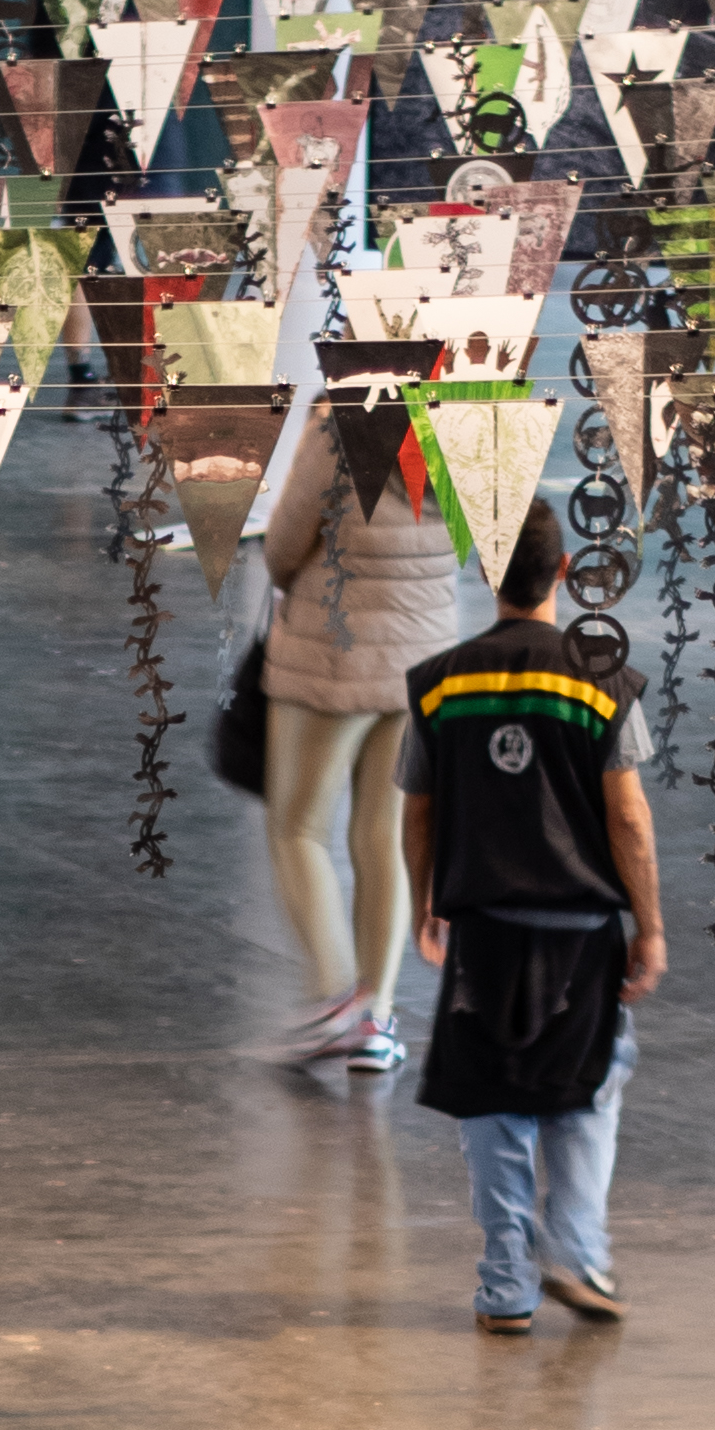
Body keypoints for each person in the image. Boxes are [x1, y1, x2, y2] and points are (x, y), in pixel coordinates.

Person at [402, 498, 666, 1332]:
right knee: (586, 1092)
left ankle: (506, 1287)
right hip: (581, 938)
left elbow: (418, 808)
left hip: (483, 934)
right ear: (563, 572)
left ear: (487, 571)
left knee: (493, 1102)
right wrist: (650, 927)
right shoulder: (602, 677)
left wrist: (426, 904)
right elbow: (627, 817)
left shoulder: (441, 682)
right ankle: (580, 1258)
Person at [253, 393, 457, 1072]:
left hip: (332, 651)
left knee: (297, 828)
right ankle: (378, 1021)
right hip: (424, 652)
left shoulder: (343, 414)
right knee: (384, 835)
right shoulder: (474, 414)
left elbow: (285, 542)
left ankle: (338, 1000)